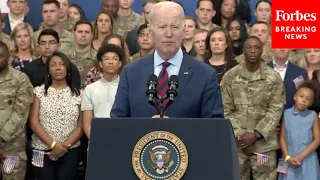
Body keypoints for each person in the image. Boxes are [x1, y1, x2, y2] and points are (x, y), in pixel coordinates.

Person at [111, 1, 224, 118]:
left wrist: (172, 130)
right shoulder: (130, 73)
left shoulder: (205, 75)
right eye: (162, 27)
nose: (168, 34)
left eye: (175, 27)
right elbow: (118, 122)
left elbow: (214, 128)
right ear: (150, 32)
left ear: (183, 30)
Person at [221, 36, 285, 180]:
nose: (253, 51)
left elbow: (275, 111)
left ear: (262, 50)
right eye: (249, 47)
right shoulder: (230, 76)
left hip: (264, 146)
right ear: (243, 51)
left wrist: (255, 135)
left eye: (257, 47)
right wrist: (241, 136)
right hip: (237, 145)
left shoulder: (273, 78)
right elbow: (226, 109)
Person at [29, 51, 83, 180]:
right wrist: (54, 145)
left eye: (61, 64)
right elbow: (34, 122)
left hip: (70, 150)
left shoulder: (79, 94)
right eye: (53, 65)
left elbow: (80, 126)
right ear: (48, 70)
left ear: (67, 68)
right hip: (40, 150)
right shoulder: (39, 92)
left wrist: (63, 147)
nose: (58, 68)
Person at [0, 41, 33, 179]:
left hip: (12, 148)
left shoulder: (20, 79)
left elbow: (20, 114)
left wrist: (0, 139)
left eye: (0, 56)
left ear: (9, 57)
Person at [278, 81, 320, 180]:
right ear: (295, 96)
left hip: (308, 159)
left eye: (308, 99)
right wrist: (287, 157)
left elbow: (317, 140)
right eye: (301, 96)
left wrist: (301, 156)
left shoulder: (313, 115)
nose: (304, 100)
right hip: (288, 158)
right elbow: (282, 138)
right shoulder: (286, 113)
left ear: (311, 103)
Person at [82, 44, 123, 138]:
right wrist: (95, 141)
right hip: (97, 137)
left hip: (121, 136)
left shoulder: (126, 88)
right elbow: (87, 124)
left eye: (115, 59)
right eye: (106, 59)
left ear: (120, 63)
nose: (111, 62)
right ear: (100, 64)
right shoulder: (90, 89)